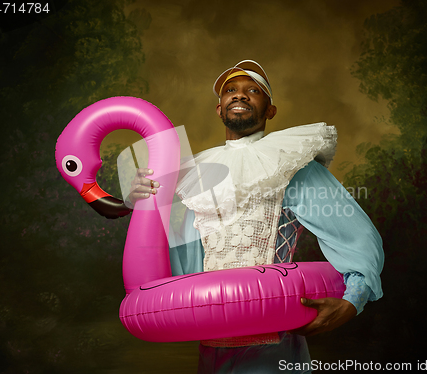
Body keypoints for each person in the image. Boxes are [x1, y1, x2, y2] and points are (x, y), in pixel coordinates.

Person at [127, 60, 384, 373]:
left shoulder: (290, 164)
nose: (240, 95)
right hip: (211, 342)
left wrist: (352, 301)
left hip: (274, 346)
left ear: (270, 110)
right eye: (230, 91)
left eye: (254, 91)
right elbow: (179, 255)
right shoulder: (191, 175)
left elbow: (356, 234)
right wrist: (145, 201)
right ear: (219, 109)